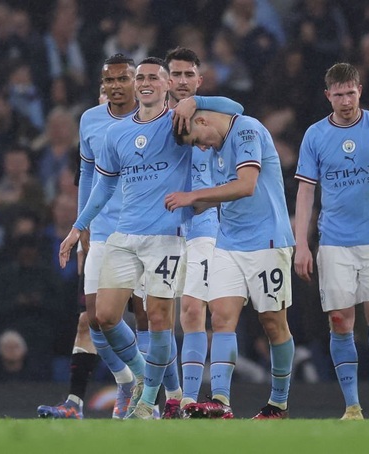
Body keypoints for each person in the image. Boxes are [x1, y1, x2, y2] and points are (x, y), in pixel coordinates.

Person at [59, 56, 243, 419]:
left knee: (160, 320)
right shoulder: (116, 133)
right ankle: (142, 377)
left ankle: (153, 402)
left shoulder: (180, 122)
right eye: (139, 77)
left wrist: (197, 101)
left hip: (166, 237)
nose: (144, 83)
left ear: (164, 86)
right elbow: (103, 185)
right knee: (104, 316)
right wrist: (79, 226)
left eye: (152, 78)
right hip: (124, 235)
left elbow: (235, 109)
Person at [293, 62, 369, 420]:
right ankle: (352, 405)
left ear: (359, 90)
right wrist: (301, 243)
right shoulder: (315, 135)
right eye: (338, 94)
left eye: (350, 92)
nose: (345, 100)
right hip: (334, 241)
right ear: (327, 95)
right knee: (339, 320)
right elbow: (305, 192)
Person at [165, 107, 296, 420]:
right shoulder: (214, 150)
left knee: (273, 323)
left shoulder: (247, 130)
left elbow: (245, 185)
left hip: (267, 240)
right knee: (221, 317)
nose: (202, 147)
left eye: (199, 138)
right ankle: (220, 401)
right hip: (229, 241)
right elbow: (215, 196)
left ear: (203, 120)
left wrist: (191, 195)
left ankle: (278, 403)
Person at [38, 54, 147, 420]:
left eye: (121, 80)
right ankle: (131, 383)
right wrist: (81, 227)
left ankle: (156, 396)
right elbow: (86, 178)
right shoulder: (91, 121)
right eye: (107, 84)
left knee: (148, 318)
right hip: (102, 231)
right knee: (95, 316)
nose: (113, 89)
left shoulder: (153, 118)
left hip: (146, 232)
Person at [162, 47, 220, 418]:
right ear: (167, 79)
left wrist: (196, 102)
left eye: (189, 75)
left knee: (193, 309)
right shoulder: (152, 123)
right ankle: (170, 394)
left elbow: (241, 111)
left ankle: (188, 400)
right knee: (157, 315)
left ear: (199, 80)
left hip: (203, 224)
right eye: (176, 74)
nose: (182, 81)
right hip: (164, 225)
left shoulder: (216, 117)